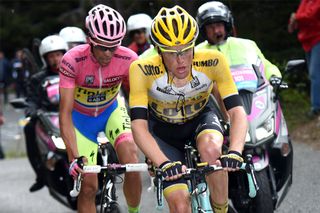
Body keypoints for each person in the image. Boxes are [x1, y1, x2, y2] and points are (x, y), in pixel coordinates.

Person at [129, 5, 247, 213]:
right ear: (158, 50)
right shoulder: (141, 69)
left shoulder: (213, 61)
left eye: (186, 50)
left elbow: (237, 112)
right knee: (180, 206)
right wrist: (162, 162)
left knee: (212, 151)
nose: (181, 60)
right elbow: (138, 125)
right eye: (171, 53)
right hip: (163, 133)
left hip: (201, 120)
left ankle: (221, 209)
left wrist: (236, 151)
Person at [59, 4, 142, 213]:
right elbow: (65, 114)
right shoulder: (72, 60)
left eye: (114, 47)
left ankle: (134, 211)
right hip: (80, 120)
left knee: (131, 159)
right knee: (88, 186)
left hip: (111, 112)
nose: (108, 53)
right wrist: (73, 157)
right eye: (102, 47)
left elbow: (141, 101)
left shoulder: (129, 59)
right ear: (90, 40)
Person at [196, 1, 282, 82]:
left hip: (252, 93)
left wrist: (274, 77)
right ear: (203, 30)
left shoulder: (247, 44)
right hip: (215, 96)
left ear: (227, 25)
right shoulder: (196, 52)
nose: (216, 31)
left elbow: (264, 65)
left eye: (219, 25)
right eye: (210, 27)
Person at [25, 35, 68, 192]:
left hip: (74, 116)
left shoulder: (74, 72)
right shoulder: (38, 78)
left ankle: (109, 163)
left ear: (65, 53)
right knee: (29, 128)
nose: (55, 59)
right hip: (48, 119)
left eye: (58, 54)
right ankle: (40, 175)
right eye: (51, 56)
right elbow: (32, 99)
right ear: (45, 58)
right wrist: (32, 110)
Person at [288, 0, 320, 118]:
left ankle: (316, 108)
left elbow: (310, 15)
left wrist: (296, 17)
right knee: (315, 74)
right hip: (307, 41)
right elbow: (299, 17)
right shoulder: (305, 1)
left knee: (314, 74)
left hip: (318, 39)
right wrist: (294, 20)